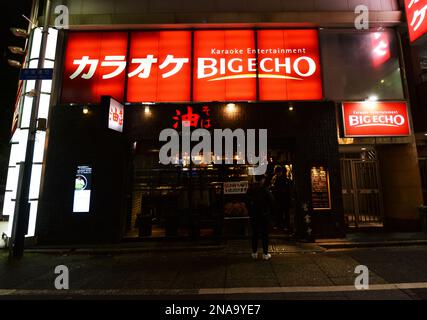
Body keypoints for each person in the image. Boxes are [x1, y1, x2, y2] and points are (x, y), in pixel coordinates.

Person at [246, 174, 274, 260]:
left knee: (255, 234)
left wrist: (250, 211)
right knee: (264, 234)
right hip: (264, 215)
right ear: (262, 179)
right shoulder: (264, 189)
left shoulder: (250, 189)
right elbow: (272, 200)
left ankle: (254, 253)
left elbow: (246, 201)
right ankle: (265, 254)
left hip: (254, 215)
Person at [270, 165, 292, 231]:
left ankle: (281, 225)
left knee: (281, 212)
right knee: (283, 212)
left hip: (280, 198)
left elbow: (273, 187)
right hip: (283, 198)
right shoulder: (284, 178)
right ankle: (284, 226)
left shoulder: (276, 178)